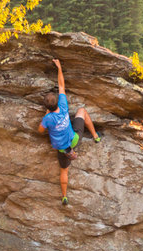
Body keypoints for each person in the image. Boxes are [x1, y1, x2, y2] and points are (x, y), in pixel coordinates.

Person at [38, 59, 101, 206]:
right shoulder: (63, 104)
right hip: (74, 139)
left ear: (47, 107)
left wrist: (46, 116)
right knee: (82, 111)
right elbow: (61, 85)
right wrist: (59, 67)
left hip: (62, 149)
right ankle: (96, 136)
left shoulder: (48, 119)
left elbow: (40, 130)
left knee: (64, 171)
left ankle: (65, 197)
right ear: (56, 102)